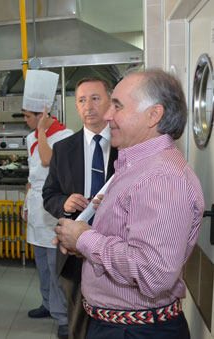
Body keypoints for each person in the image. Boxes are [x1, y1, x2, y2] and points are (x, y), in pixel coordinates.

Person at [54, 70, 204, 339]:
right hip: (121, 326)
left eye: (118, 106)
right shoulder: (137, 165)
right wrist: (82, 243)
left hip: (136, 331)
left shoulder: (162, 177)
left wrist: (86, 238)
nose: (108, 115)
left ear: (153, 115)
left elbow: (154, 272)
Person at [42, 77, 118, 339]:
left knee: (112, 325)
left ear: (110, 101)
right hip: (74, 253)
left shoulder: (125, 147)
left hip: (115, 252)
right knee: (78, 326)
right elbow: (49, 194)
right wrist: (64, 202)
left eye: (96, 98)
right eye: (82, 100)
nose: (89, 106)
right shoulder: (63, 149)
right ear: (76, 107)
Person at [21, 70, 73, 339]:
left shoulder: (65, 136)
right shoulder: (31, 137)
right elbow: (33, 173)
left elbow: (47, 161)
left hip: (53, 212)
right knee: (41, 265)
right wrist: (25, 200)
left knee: (55, 269)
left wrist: (41, 131)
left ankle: (63, 318)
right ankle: (46, 304)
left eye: (29, 116)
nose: (26, 121)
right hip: (36, 210)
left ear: (42, 114)